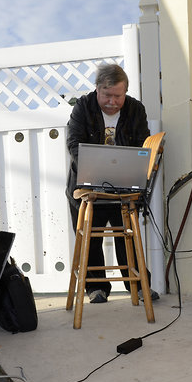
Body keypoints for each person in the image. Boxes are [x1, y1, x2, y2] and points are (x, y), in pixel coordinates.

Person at [66, 63, 158, 303]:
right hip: (87, 185)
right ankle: (96, 288)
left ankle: (137, 286)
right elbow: (73, 143)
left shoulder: (136, 109)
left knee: (127, 235)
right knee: (91, 238)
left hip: (124, 185)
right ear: (97, 89)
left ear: (125, 92)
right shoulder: (82, 107)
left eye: (118, 96)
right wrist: (95, 168)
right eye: (107, 95)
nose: (113, 101)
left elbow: (142, 145)